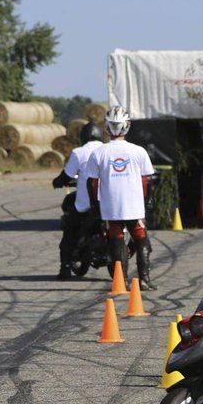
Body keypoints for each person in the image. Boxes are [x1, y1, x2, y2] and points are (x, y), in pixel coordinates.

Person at [84, 106, 158, 290]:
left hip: (111, 207)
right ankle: (144, 280)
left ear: (107, 128)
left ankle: (121, 281)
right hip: (134, 206)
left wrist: (95, 205)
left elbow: (92, 183)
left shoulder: (99, 153)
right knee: (141, 241)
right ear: (127, 126)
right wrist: (147, 201)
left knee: (116, 242)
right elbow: (146, 181)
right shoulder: (138, 151)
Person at [52, 122, 105, 280]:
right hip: (109, 205)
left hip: (85, 206)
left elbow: (67, 176)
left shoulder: (79, 152)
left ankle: (65, 268)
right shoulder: (108, 150)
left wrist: (57, 182)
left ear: (83, 137)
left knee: (69, 230)